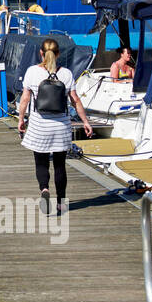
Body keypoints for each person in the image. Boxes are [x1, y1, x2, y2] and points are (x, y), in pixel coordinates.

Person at [16, 38, 93, 215]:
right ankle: (60, 203)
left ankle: (44, 189)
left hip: (39, 126)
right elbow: (75, 101)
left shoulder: (32, 72)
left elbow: (25, 99)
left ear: (40, 53)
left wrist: (21, 119)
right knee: (60, 165)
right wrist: (85, 122)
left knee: (41, 163)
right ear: (58, 54)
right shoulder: (66, 73)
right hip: (61, 127)